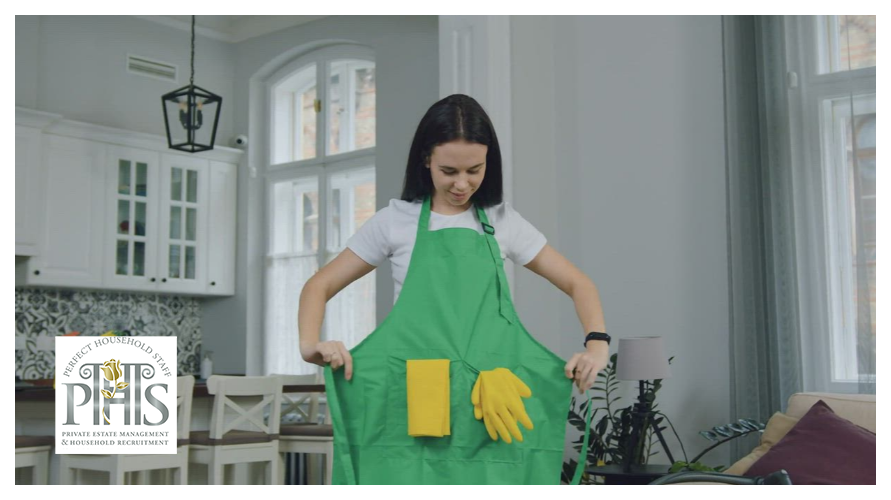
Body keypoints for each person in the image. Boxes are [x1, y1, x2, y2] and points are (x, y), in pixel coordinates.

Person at [298, 93, 608, 394]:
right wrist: (310, 345)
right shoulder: (394, 221)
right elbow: (318, 286)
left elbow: (579, 284)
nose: (462, 184)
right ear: (426, 159)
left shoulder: (503, 222)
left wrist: (596, 345)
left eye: (475, 170)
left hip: (490, 392)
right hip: (416, 390)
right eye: (449, 171)